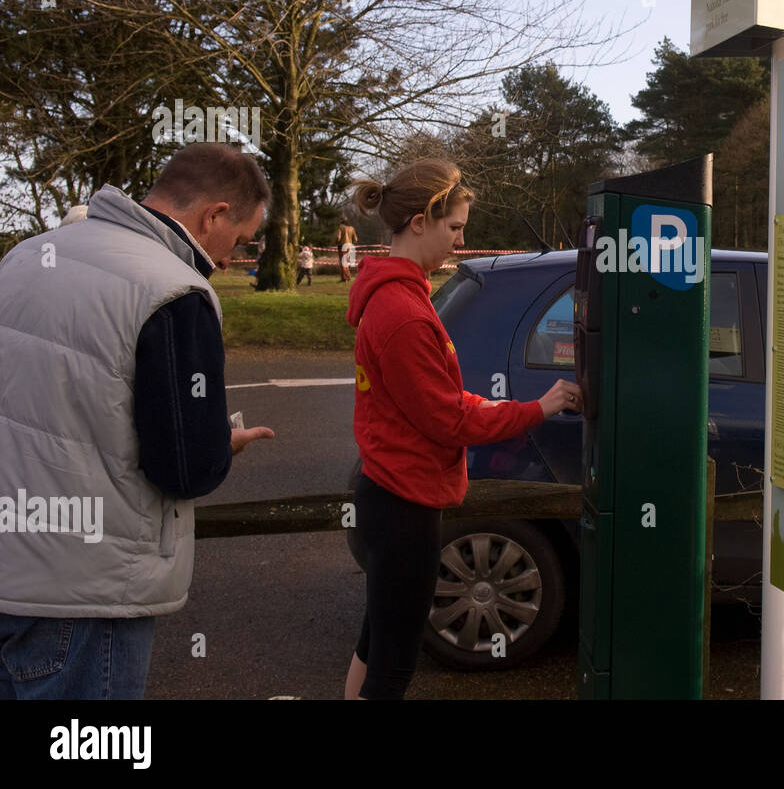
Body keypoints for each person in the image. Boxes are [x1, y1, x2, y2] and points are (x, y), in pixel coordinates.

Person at [0, 142, 276, 699]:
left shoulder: (26, 256)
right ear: (214, 215)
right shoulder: (174, 291)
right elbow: (184, 467)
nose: (230, 259)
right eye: (241, 240)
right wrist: (221, 444)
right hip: (85, 595)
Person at [343, 158, 581, 700]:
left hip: (388, 494)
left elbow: (442, 402)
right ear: (421, 222)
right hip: (404, 506)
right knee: (392, 666)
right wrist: (535, 409)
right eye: (454, 228)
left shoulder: (403, 297)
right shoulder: (403, 313)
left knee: (374, 643)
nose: (459, 240)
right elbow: (449, 419)